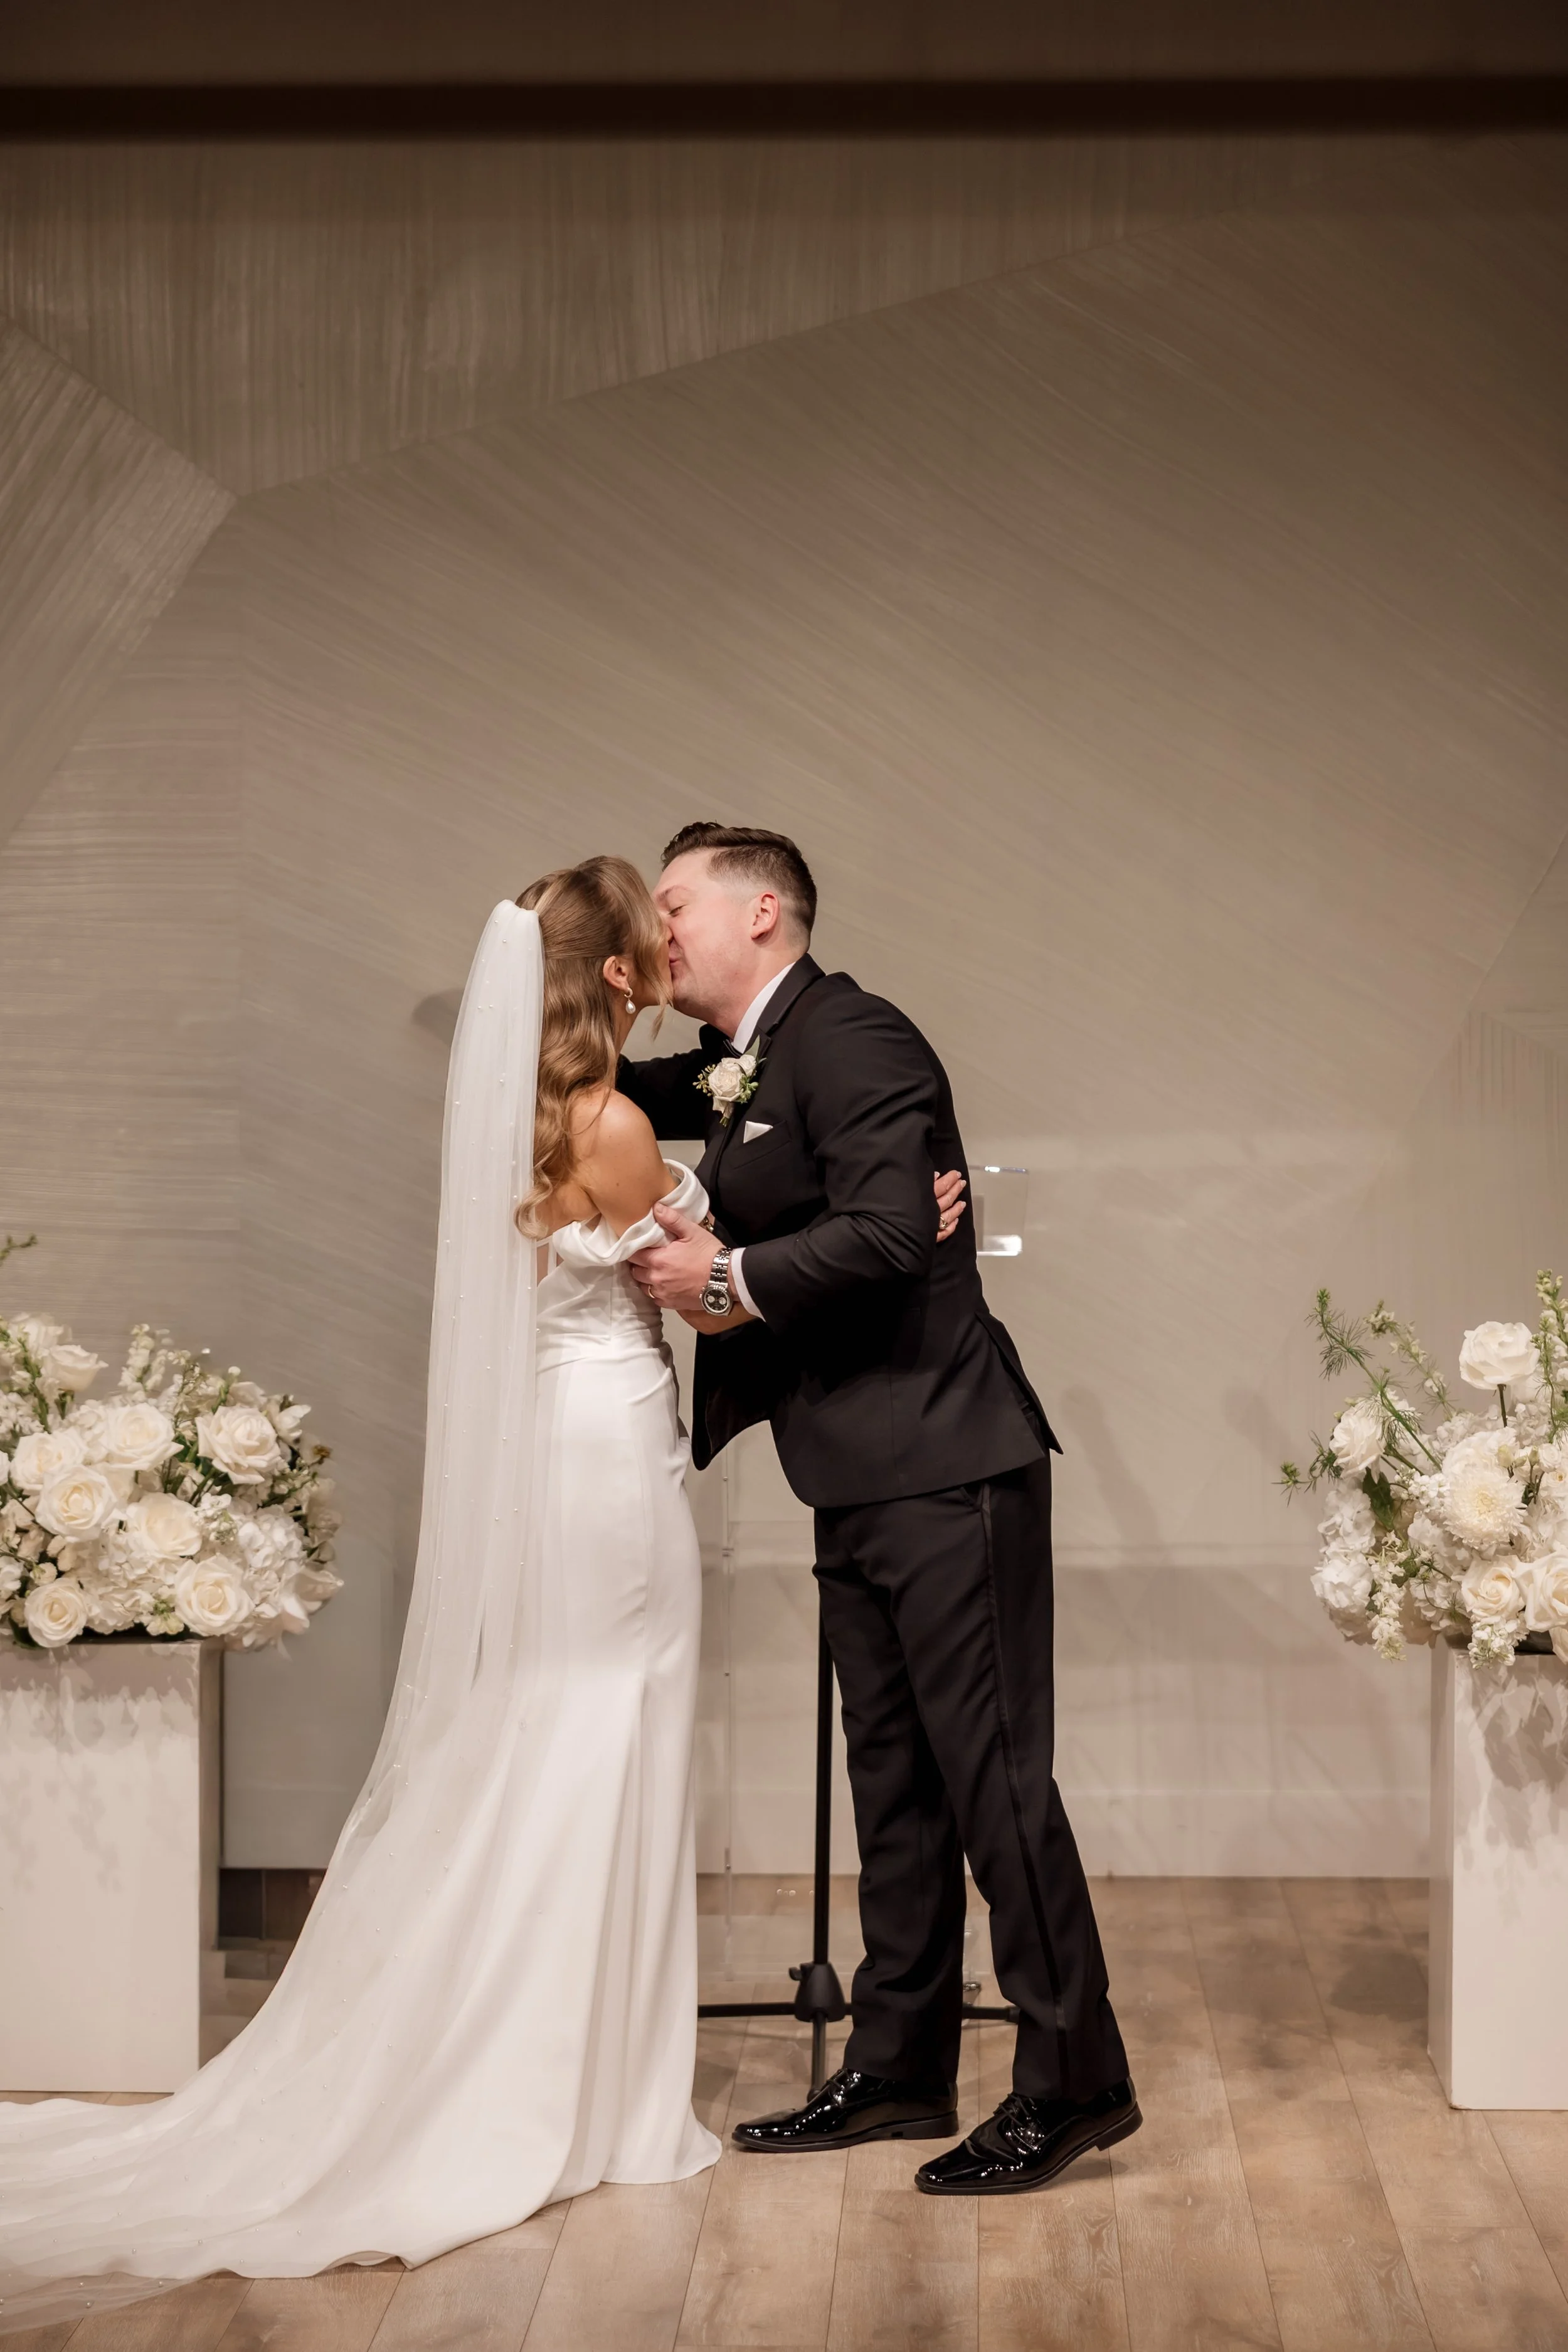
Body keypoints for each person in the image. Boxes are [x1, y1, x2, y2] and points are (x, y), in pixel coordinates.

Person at [0, 859, 719, 2333]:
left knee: (550, 1729)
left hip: (550, 1450)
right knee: (613, 1728)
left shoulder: (514, 1123)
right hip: (608, 1457)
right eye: (650, 946)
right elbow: (699, 1290)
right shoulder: (620, 1124)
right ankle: (593, 2092)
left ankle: (535, 2057)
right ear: (624, 982)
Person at [620, 823, 1140, 2196]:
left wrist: (726, 1283)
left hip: (942, 1462)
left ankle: (1073, 2079)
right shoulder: (749, 1062)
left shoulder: (852, 1037)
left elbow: (898, 1233)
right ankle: (898, 2064)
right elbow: (591, 1084)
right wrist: (582, 976)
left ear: (764, 915)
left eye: (672, 903)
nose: (656, 925)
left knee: (992, 1787)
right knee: (891, 1784)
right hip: (849, 1464)